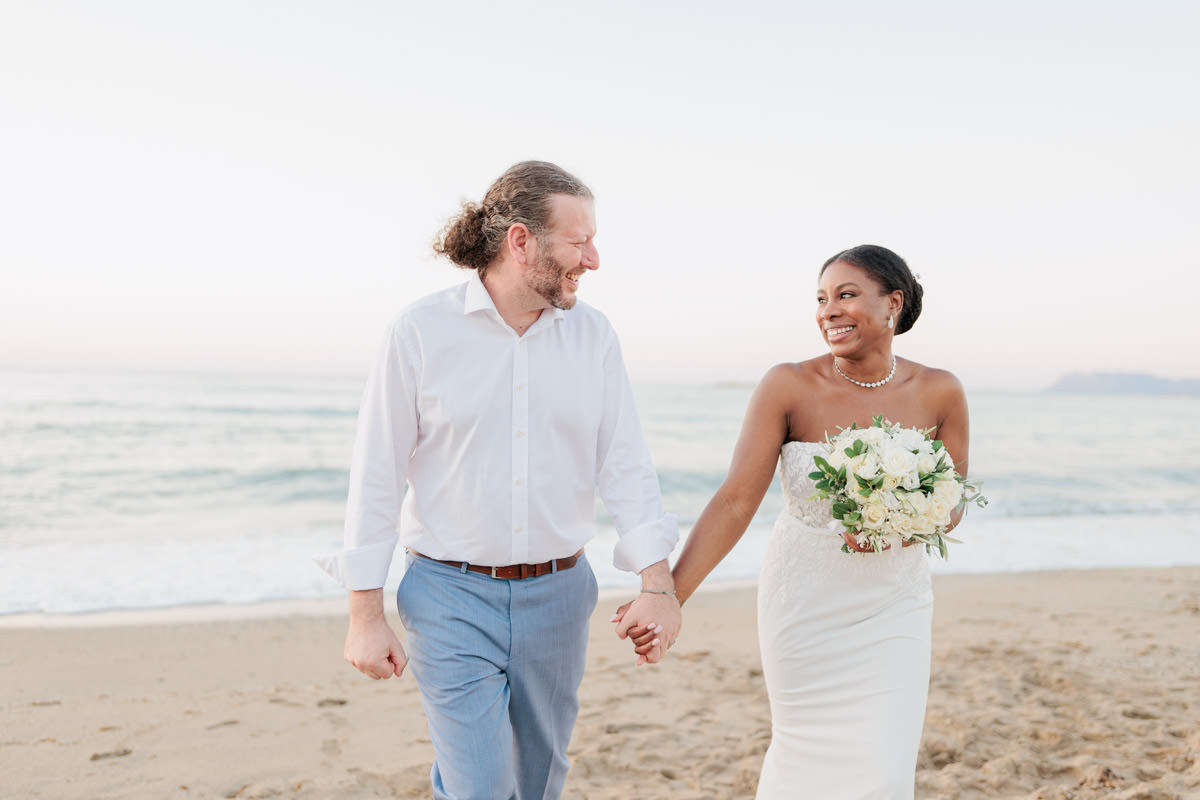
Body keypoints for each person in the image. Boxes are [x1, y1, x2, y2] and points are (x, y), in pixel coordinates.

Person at [314, 161, 681, 800]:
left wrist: (659, 585)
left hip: (562, 596)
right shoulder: (421, 331)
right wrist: (363, 613)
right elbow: (376, 476)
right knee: (480, 786)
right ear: (520, 241)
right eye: (579, 240)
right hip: (448, 595)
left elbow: (624, 465)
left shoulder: (593, 336)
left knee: (537, 781)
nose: (593, 258)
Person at [623, 244, 969, 798]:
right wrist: (668, 598)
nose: (829, 310)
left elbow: (952, 502)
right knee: (803, 756)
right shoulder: (788, 385)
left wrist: (903, 518)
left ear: (893, 305)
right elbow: (737, 501)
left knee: (883, 766)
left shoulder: (940, 391)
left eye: (847, 295)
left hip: (894, 605)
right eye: (821, 299)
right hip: (804, 603)